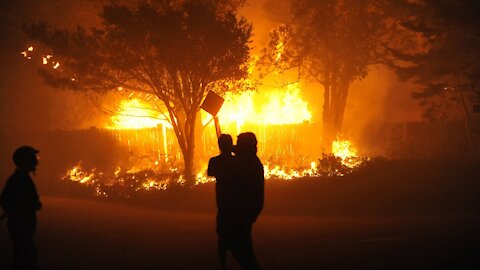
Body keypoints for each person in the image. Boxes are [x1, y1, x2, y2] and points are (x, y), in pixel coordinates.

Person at [0, 146, 42, 270]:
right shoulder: (20, 180)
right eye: (33, 158)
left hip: (21, 225)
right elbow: (7, 199)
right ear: (26, 161)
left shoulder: (20, 179)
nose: (36, 161)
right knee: (25, 259)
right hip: (21, 225)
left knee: (23, 256)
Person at [233, 132, 264, 270]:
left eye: (239, 143)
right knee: (241, 242)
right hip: (248, 207)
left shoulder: (250, 163)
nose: (237, 146)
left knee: (240, 245)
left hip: (246, 208)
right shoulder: (249, 159)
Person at [208, 134, 238, 270]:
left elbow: (210, 172)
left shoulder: (214, 161)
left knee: (223, 234)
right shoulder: (236, 161)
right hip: (235, 200)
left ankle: (224, 263)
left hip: (223, 200)